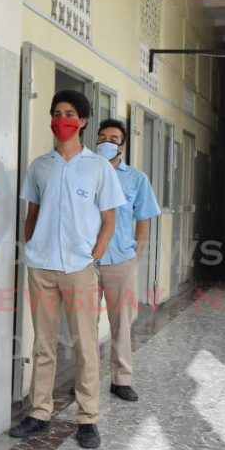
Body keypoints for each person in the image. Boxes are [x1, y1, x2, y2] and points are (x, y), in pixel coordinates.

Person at [10, 90, 125, 449]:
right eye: (56, 112)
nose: (62, 118)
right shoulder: (39, 166)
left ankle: (87, 417)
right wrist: (33, 247)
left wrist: (93, 257)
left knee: (84, 344)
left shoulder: (98, 168)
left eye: (70, 113)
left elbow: (109, 219)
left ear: (83, 121)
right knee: (44, 343)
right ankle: (39, 412)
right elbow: (31, 215)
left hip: (79, 268)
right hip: (41, 267)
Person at [94, 118, 161, 402]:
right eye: (102, 138)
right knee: (83, 323)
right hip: (85, 261)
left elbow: (144, 219)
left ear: (122, 145)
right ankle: (85, 379)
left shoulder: (136, 178)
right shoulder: (84, 173)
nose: (107, 143)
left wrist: (136, 256)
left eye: (113, 139)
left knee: (121, 321)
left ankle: (121, 379)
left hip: (121, 259)